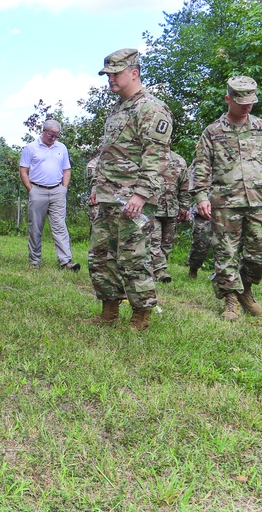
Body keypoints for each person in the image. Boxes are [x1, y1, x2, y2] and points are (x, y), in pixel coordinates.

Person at [85, 48, 172, 331]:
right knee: (101, 256)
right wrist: (98, 188)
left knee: (133, 258)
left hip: (133, 199)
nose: (109, 78)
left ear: (134, 73)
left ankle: (141, 315)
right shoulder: (118, 109)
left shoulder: (151, 108)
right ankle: (109, 310)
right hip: (108, 196)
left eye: (115, 73)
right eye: (107, 74)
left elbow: (156, 155)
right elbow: (107, 154)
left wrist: (141, 194)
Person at [191, 76, 262, 321]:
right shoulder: (213, 132)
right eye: (241, 101)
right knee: (226, 252)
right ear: (228, 99)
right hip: (224, 201)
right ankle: (231, 300)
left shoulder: (260, 127)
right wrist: (201, 195)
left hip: (258, 199)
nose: (246, 106)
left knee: (258, 252)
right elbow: (200, 167)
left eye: (250, 102)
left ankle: (246, 287)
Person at [18, 119, 79, 271]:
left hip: (57, 190)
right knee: (36, 228)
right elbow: (23, 171)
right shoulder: (31, 148)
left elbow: (67, 170)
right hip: (37, 190)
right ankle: (35, 262)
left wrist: (64, 188)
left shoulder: (61, 148)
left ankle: (66, 262)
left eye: (56, 136)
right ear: (44, 131)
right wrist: (31, 190)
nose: (53, 139)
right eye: (51, 135)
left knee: (60, 227)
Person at [149, 150, 190, 283]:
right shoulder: (148, 157)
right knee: (153, 241)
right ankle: (159, 271)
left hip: (171, 209)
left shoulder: (179, 160)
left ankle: (154, 268)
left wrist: (184, 207)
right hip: (152, 208)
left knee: (167, 244)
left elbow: (184, 186)